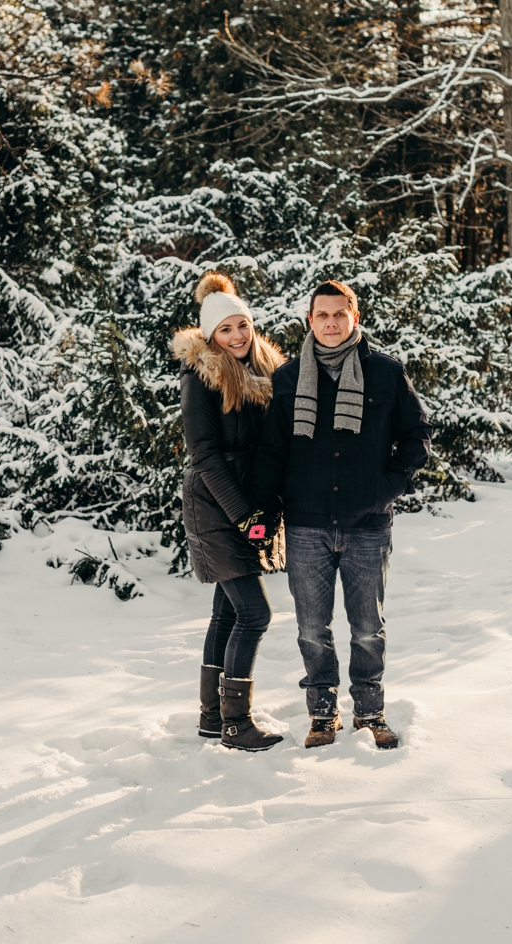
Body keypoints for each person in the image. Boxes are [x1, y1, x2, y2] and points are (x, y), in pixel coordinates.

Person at [253, 280, 432, 750]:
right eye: (322, 315)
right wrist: (265, 511)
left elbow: (417, 438)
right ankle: (322, 714)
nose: (331, 324)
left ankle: (370, 712)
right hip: (307, 523)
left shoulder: (386, 373)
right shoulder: (289, 378)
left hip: (368, 525)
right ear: (309, 321)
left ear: (354, 316)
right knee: (312, 629)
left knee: (367, 627)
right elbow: (273, 452)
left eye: (339, 314)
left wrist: (387, 488)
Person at [174, 270, 288, 753]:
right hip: (215, 502)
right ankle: (235, 723)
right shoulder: (201, 375)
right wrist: (245, 516)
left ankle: (210, 716)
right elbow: (205, 454)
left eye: (242, 325)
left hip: (247, 503)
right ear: (210, 335)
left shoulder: (262, 369)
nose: (237, 336)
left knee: (226, 611)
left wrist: (264, 508)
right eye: (226, 330)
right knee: (254, 613)